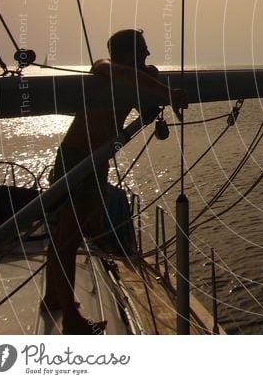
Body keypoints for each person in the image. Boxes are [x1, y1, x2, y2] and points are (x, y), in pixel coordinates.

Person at [43, 29, 187, 334]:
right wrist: (168, 93)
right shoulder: (104, 67)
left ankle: (53, 297)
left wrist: (154, 80)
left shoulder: (134, 77)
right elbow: (117, 72)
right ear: (126, 53)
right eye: (143, 50)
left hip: (95, 159)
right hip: (78, 157)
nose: (148, 55)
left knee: (73, 232)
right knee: (68, 238)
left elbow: (143, 94)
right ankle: (71, 319)